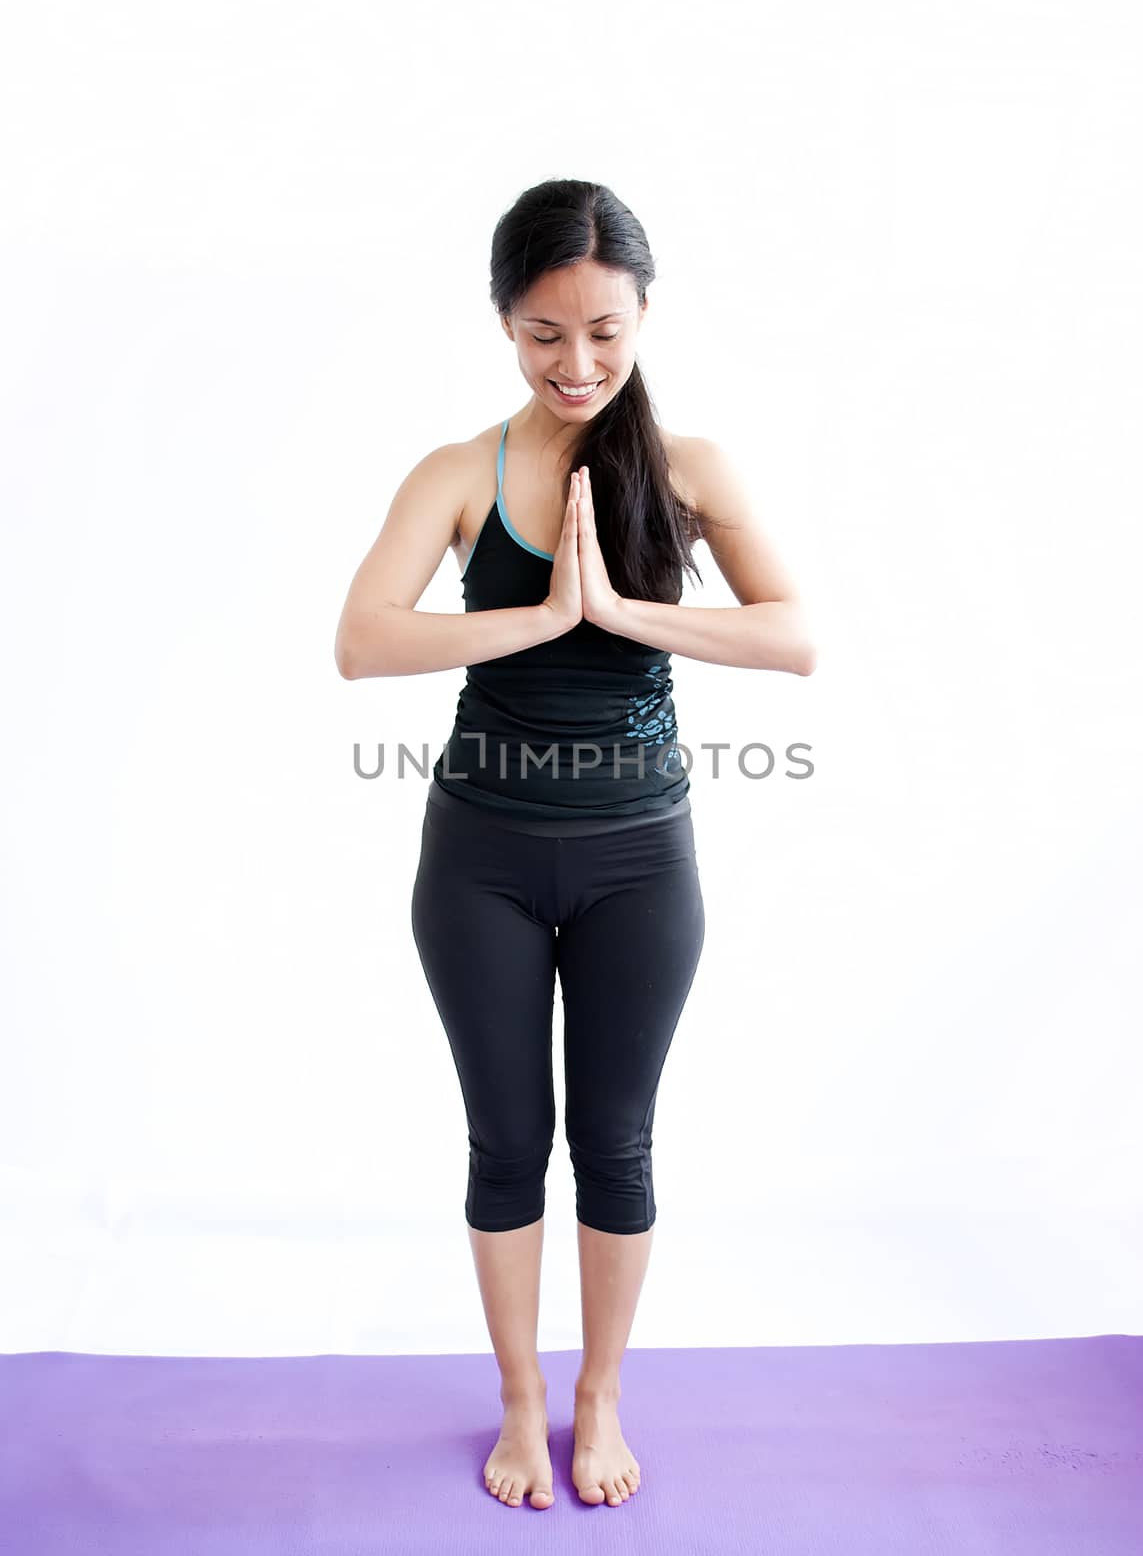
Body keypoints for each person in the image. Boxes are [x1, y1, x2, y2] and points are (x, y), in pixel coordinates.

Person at [334, 178, 817, 1513]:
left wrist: (621, 610)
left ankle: (599, 1396)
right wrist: (543, 620)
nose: (579, 363)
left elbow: (794, 638)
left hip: (638, 860)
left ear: (646, 315)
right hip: (479, 858)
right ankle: (523, 1402)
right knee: (505, 1142)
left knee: (616, 1141)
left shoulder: (688, 469)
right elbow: (363, 642)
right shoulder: (457, 473)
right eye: (547, 334)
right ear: (504, 324)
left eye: (606, 330)